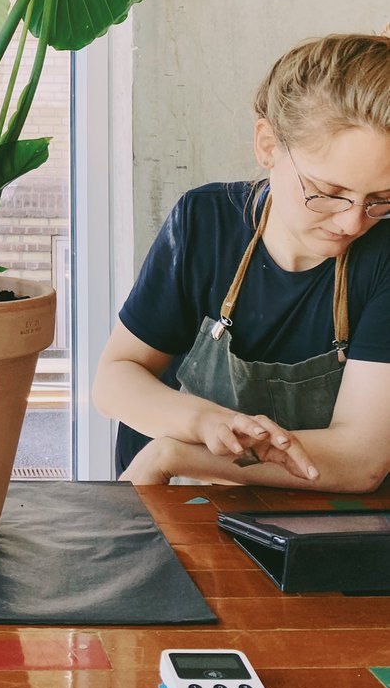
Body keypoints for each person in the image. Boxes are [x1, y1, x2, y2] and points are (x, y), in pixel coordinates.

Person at [92, 31, 390, 490]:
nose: (353, 221)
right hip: (167, 496)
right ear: (268, 145)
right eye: (328, 193)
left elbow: (359, 459)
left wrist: (179, 454)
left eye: (380, 199)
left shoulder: (384, 256)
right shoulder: (204, 222)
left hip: (312, 516)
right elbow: (114, 380)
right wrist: (203, 422)